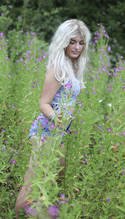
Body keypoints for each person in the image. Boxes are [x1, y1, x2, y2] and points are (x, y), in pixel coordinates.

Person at [15, 19, 91, 217]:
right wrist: (57, 120)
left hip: (58, 134)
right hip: (45, 132)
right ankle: (18, 214)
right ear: (63, 42)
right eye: (72, 41)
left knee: (53, 182)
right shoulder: (58, 68)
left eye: (81, 43)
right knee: (32, 184)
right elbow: (43, 103)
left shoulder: (71, 67)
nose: (77, 47)